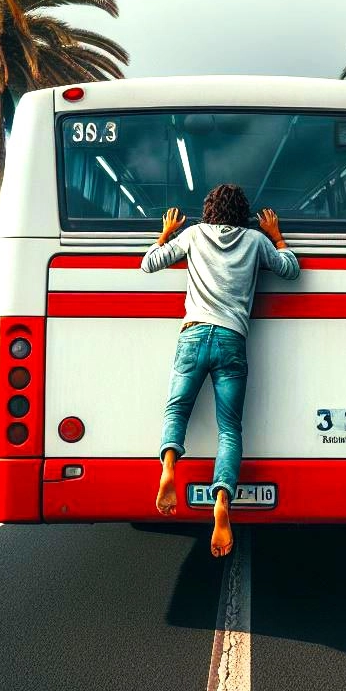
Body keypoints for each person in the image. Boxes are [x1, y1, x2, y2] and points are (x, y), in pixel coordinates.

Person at [141, 184, 299, 557]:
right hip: (231, 339)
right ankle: (223, 500)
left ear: (209, 210)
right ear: (243, 213)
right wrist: (276, 237)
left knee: (176, 409)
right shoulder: (256, 241)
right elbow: (291, 270)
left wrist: (165, 233)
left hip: (193, 334)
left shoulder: (193, 235)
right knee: (229, 428)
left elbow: (149, 263)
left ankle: (168, 467)